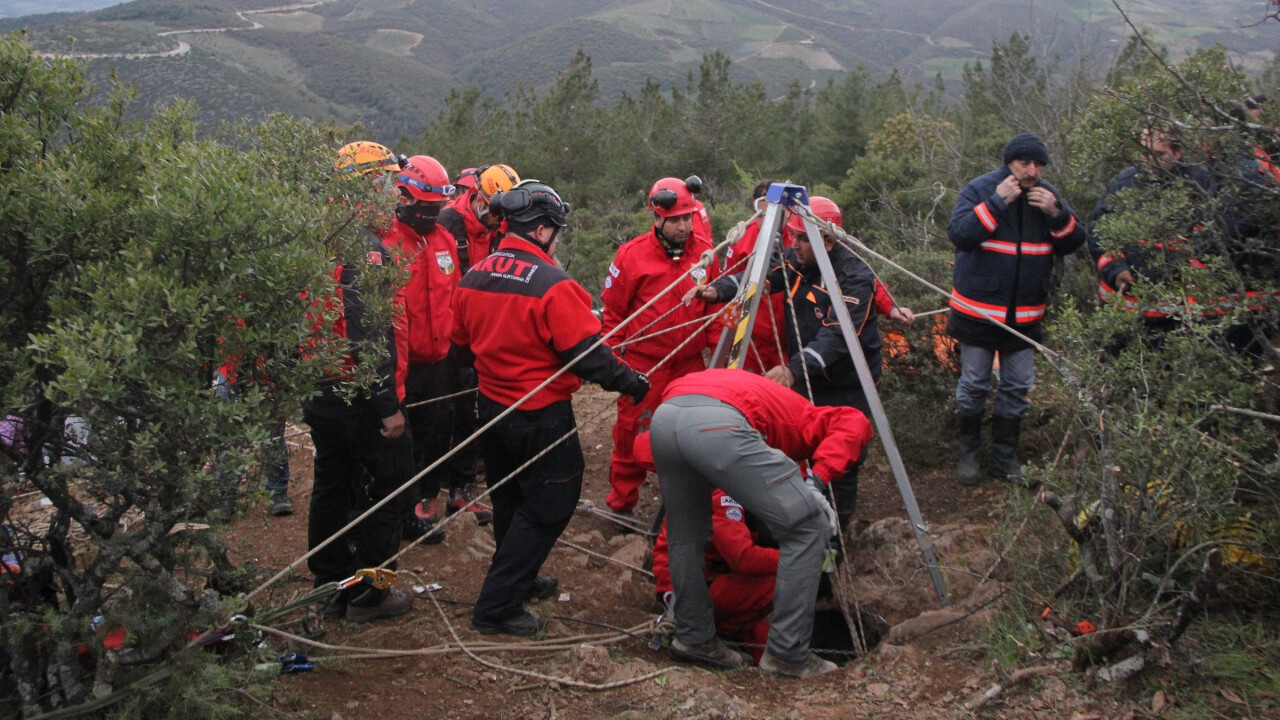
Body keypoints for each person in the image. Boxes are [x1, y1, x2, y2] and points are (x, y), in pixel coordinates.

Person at [450, 180, 649, 636]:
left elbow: (459, 347)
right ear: (541, 232)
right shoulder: (554, 286)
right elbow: (589, 356)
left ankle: (518, 578)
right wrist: (633, 383)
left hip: (491, 406)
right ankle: (498, 608)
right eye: (555, 231)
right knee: (550, 505)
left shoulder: (475, 274)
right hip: (539, 414)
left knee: (509, 497)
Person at [648, 368, 872, 678]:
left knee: (686, 534)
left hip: (667, 416)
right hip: (717, 424)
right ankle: (787, 654)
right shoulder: (809, 419)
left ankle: (694, 637)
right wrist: (817, 483)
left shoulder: (772, 407)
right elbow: (855, 421)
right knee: (810, 527)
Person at [688, 196, 880, 530]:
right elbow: (759, 277)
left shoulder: (854, 277)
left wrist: (793, 368)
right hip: (807, 374)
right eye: (792, 236)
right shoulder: (796, 260)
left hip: (845, 382)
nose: (795, 245)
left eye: (803, 239)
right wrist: (717, 291)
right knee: (801, 445)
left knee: (843, 455)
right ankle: (797, 516)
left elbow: (838, 336)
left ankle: (837, 528)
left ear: (828, 240)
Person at [302, 148, 415, 622]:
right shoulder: (365, 247)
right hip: (357, 393)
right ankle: (372, 592)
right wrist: (387, 404)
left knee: (332, 481)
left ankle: (328, 582)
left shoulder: (314, 235)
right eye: (387, 184)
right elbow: (368, 330)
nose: (394, 195)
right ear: (364, 186)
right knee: (390, 487)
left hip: (319, 386)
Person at [947, 132, 1086, 485]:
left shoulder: (1047, 196)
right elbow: (960, 234)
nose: (1032, 170)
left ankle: (1004, 456)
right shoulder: (981, 189)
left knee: (1018, 385)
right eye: (1025, 163)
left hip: (1026, 315)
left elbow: (1073, 242)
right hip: (978, 312)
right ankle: (970, 454)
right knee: (975, 383)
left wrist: (1057, 213)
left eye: (1037, 164)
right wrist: (996, 203)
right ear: (1010, 162)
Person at [381, 154, 488, 541]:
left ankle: (421, 501)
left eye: (437, 207)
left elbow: (455, 297)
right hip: (401, 364)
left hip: (440, 361)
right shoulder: (386, 242)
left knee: (431, 434)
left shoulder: (443, 240)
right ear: (405, 199)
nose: (431, 214)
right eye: (425, 207)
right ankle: (395, 512)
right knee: (397, 443)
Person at [599, 177, 714, 529]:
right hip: (645, 365)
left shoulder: (705, 252)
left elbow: (715, 308)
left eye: (688, 217)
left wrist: (722, 359)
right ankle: (622, 504)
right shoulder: (632, 257)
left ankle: (688, 502)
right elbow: (613, 316)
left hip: (691, 364)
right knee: (633, 434)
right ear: (657, 218)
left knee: (695, 434)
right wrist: (613, 364)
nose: (684, 226)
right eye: (677, 219)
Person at [1087, 126, 1213, 330]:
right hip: (1125, 310)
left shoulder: (1200, 183)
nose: (1150, 161)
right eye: (1145, 153)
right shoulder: (1123, 183)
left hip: (1180, 315)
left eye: (1159, 154)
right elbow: (1099, 230)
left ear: (1178, 152)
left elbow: (1213, 238)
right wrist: (1116, 269)